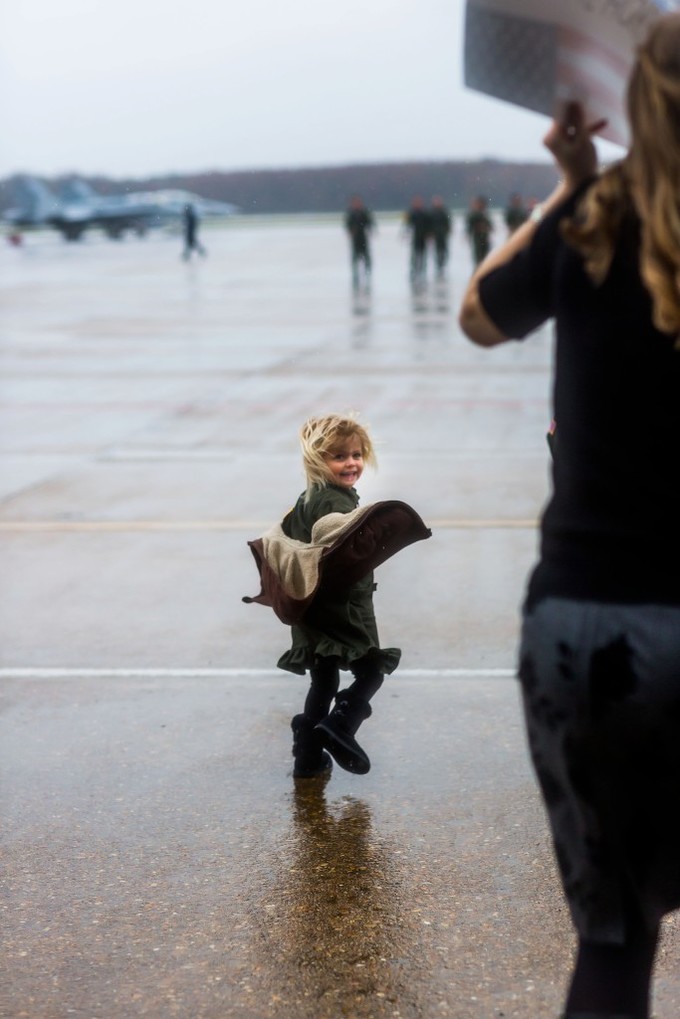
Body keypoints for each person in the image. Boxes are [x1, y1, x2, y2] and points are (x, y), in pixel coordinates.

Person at [459, 14, 680, 1018]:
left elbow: (478, 314)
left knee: (611, 941)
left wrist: (567, 180)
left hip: (581, 627)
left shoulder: (590, 216)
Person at [245, 415, 429, 780]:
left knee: (324, 681)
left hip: (310, 608)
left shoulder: (309, 495)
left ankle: (308, 759)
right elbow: (335, 541)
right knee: (372, 669)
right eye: (339, 457)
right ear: (317, 460)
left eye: (357, 455)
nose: (351, 463)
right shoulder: (333, 503)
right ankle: (340, 726)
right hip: (340, 608)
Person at [345, 195, 374, 289]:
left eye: (358, 202)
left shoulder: (364, 212)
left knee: (366, 256)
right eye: (355, 203)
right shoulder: (351, 213)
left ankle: (367, 272)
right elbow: (347, 225)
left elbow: (370, 223)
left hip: (363, 237)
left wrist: (370, 229)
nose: (356, 204)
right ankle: (355, 273)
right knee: (355, 257)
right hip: (355, 239)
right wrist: (350, 231)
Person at [404, 195, 431, 283]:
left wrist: (429, 234)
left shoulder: (425, 213)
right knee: (414, 255)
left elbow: (429, 225)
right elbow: (407, 224)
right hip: (415, 237)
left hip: (423, 237)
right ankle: (413, 270)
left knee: (423, 255)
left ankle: (422, 271)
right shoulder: (412, 212)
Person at [465, 195, 493, 266]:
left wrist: (487, 228)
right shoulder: (473, 214)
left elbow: (489, 225)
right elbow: (470, 226)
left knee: (485, 255)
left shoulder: (484, 214)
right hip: (477, 237)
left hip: (484, 237)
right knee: (478, 255)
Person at [429, 195, 452, 277]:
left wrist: (448, 230)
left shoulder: (444, 211)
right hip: (436, 235)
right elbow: (429, 224)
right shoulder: (432, 212)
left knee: (444, 250)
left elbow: (448, 222)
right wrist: (430, 233)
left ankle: (442, 263)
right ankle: (439, 264)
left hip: (443, 234)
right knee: (437, 250)